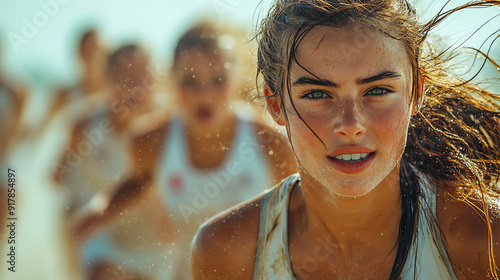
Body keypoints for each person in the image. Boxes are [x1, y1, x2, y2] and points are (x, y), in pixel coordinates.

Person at [191, 1, 500, 279]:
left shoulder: (483, 243)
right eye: (317, 94)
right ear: (275, 104)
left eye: (377, 90)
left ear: (417, 91)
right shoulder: (228, 251)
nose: (351, 126)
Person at [76, 21, 296, 279]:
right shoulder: (151, 141)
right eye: (190, 81)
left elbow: (301, 212)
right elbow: (136, 183)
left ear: (238, 78)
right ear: (171, 79)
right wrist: (97, 213)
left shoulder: (270, 142)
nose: (204, 94)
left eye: (218, 80)